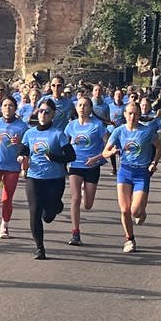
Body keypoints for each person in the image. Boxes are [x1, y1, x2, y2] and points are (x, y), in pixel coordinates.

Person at [104, 100, 161, 253]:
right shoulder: (118, 131)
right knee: (125, 210)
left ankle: (142, 212)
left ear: (139, 115)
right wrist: (111, 152)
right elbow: (105, 152)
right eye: (130, 113)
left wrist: (154, 163)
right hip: (125, 172)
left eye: (135, 114)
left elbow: (159, 147)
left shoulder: (146, 131)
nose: (132, 116)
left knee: (135, 211)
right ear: (125, 115)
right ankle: (130, 240)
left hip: (141, 173)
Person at [20, 100, 77, 259]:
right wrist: (21, 157)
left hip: (55, 179)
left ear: (53, 115)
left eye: (47, 112)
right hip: (34, 177)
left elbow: (71, 156)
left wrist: (54, 157)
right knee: (35, 211)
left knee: (48, 215)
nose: (43, 114)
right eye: (41, 111)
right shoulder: (30, 133)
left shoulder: (58, 134)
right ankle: (39, 248)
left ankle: (56, 207)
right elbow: (23, 150)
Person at [64, 95, 108, 246]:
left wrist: (96, 158)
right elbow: (64, 144)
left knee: (87, 205)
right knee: (75, 198)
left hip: (92, 166)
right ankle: (75, 232)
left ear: (90, 109)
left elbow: (108, 147)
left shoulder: (98, 125)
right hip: (75, 165)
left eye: (85, 105)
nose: (82, 108)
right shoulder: (71, 126)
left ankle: (85, 192)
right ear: (76, 108)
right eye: (80, 105)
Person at [0, 96, 27, 240]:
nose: (7, 108)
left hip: (12, 166)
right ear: (1, 108)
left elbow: (26, 147)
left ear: (15, 109)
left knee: (7, 198)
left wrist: (20, 143)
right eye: (4, 105)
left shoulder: (22, 126)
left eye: (10, 106)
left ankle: (4, 226)